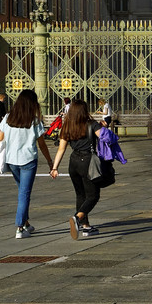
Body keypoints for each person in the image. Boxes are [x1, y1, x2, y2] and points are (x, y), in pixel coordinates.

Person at [0, 90, 53, 239]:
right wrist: (50, 161)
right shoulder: (34, 121)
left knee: (22, 192)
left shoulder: (9, 118)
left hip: (12, 160)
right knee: (24, 194)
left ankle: (26, 223)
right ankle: (20, 227)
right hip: (28, 160)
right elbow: (42, 144)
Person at [49, 98, 102, 238]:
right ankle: (77, 218)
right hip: (88, 162)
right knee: (93, 196)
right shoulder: (91, 124)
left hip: (73, 162)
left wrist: (54, 168)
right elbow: (105, 137)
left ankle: (85, 226)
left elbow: (61, 149)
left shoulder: (67, 126)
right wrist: (104, 127)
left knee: (80, 194)